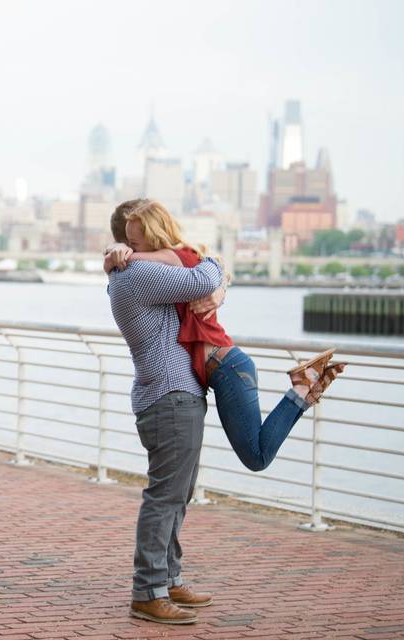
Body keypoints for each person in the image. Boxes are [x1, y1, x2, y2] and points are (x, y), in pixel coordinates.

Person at [105, 200, 345, 473]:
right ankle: (302, 390)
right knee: (255, 457)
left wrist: (117, 256)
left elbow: (195, 266)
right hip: (223, 367)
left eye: (136, 243)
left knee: (256, 457)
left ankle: (301, 389)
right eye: (130, 243)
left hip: (226, 367)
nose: (133, 250)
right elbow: (209, 269)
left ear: (150, 235)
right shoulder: (171, 268)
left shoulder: (174, 260)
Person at [104, 205, 226, 625]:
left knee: (178, 495)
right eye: (134, 239)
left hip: (173, 396)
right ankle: (148, 591)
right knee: (164, 498)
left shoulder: (139, 271)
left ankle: (169, 580)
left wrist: (217, 287)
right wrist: (210, 258)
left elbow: (206, 290)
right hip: (170, 397)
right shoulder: (137, 273)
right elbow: (204, 279)